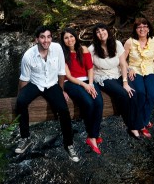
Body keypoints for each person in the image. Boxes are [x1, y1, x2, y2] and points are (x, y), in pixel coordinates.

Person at [14, 25, 80, 162]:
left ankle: (69, 145)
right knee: (20, 102)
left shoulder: (57, 49)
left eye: (48, 37)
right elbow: (24, 79)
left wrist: (61, 91)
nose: (46, 40)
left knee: (63, 109)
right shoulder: (28, 56)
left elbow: (62, 72)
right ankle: (25, 138)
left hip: (52, 84)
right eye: (42, 37)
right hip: (35, 84)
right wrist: (20, 95)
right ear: (36, 39)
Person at [88, 23, 143, 140]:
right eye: (98, 32)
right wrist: (90, 83)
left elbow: (123, 64)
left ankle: (138, 124)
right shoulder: (92, 49)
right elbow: (90, 68)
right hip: (103, 76)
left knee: (133, 92)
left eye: (103, 30)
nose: (101, 33)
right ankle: (132, 126)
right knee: (123, 94)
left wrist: (125, 83)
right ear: (95, 35)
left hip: (118, 73)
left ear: (108, 31)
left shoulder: (117, 44)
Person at [123, 18, 154, 138]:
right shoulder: (130, 42)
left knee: (151, 96)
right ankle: (141, 125)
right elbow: (122, 60)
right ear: (135, 29)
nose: (142, 29)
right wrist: (129, 68)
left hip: (151, 70)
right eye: (139, 27)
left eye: (144, 26)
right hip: (135, 71)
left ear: (149, 28)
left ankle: (143, 122)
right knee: (140, 93)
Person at [60, 28, 104, 154]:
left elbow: (90, 68)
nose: (70, 40)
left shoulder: (83, 49)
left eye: (71, 36)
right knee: (88, 103)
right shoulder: (62, 54)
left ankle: (93, 136)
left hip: (88, 80)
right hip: (72, 83)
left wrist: (90, 84)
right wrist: (85, 86)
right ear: (63, 41)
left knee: (99, 102)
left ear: (75, 37)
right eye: (66, 38)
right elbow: (68, 76)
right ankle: (92, 136)